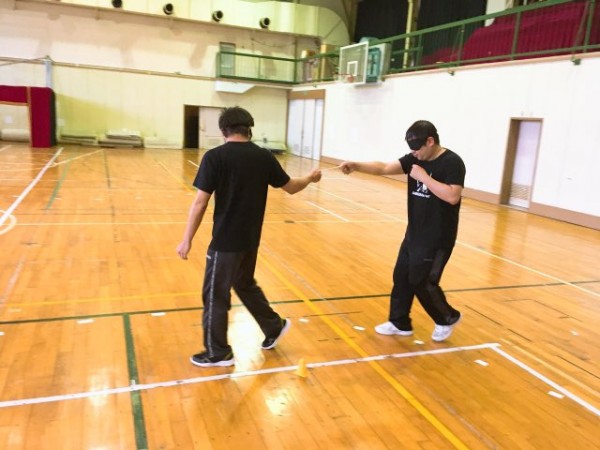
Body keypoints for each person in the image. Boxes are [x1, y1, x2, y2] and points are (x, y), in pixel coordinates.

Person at [176, 106, 322, 367]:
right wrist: (310, 178)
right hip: (250, 239)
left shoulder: (215, 157)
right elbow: (291, 187)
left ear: (224, 130)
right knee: (243, 283)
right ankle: (273, 325)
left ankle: (218, 352)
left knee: (215, 295)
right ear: (249, 129)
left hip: (225, 242)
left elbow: (200, 203)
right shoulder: (263, 156)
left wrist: (187, 239)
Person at [340, 120, 465, 342]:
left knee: (422, 281)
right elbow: (384, 168)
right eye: (411, 149)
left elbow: (453, 196)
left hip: (437, 237)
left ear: (430, 141)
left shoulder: (452, 162)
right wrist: (356, 165)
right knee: (402, 277)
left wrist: (424, 177)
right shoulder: (415, 158)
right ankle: (399, 322)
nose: (414, 153)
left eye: (417, 148)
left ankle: (447, 317)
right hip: (414, 233)